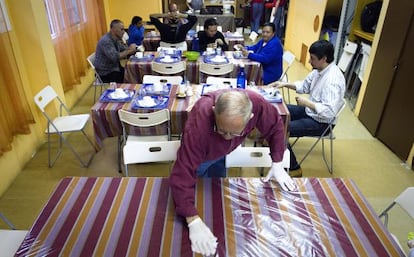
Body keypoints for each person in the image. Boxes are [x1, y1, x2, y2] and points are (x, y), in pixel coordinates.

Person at [169, 89, 297, 256]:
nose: (228, 137)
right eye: (222, 130)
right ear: (214, 111)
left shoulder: (257, 104)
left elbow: (275, 125)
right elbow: (183, 171)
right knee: (197, 198)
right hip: (201, 156)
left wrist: (278, 162)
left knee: (217, 200)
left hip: (222, 153)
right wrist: (191, 218)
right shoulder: (200, 119)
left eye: (235, 132)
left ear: (251, 117)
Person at [268, 40, 346, 176]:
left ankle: (294, 168)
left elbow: (329, 112)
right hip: (311, 112)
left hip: (321, 122)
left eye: (313, 59)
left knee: (280, 129)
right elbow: (304, 85)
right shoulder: (319, 70)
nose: (309, 61)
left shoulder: (333, 79)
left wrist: (307, 103)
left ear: (324, 59)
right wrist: (283, 84)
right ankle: (272, 145)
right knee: (277, 108)